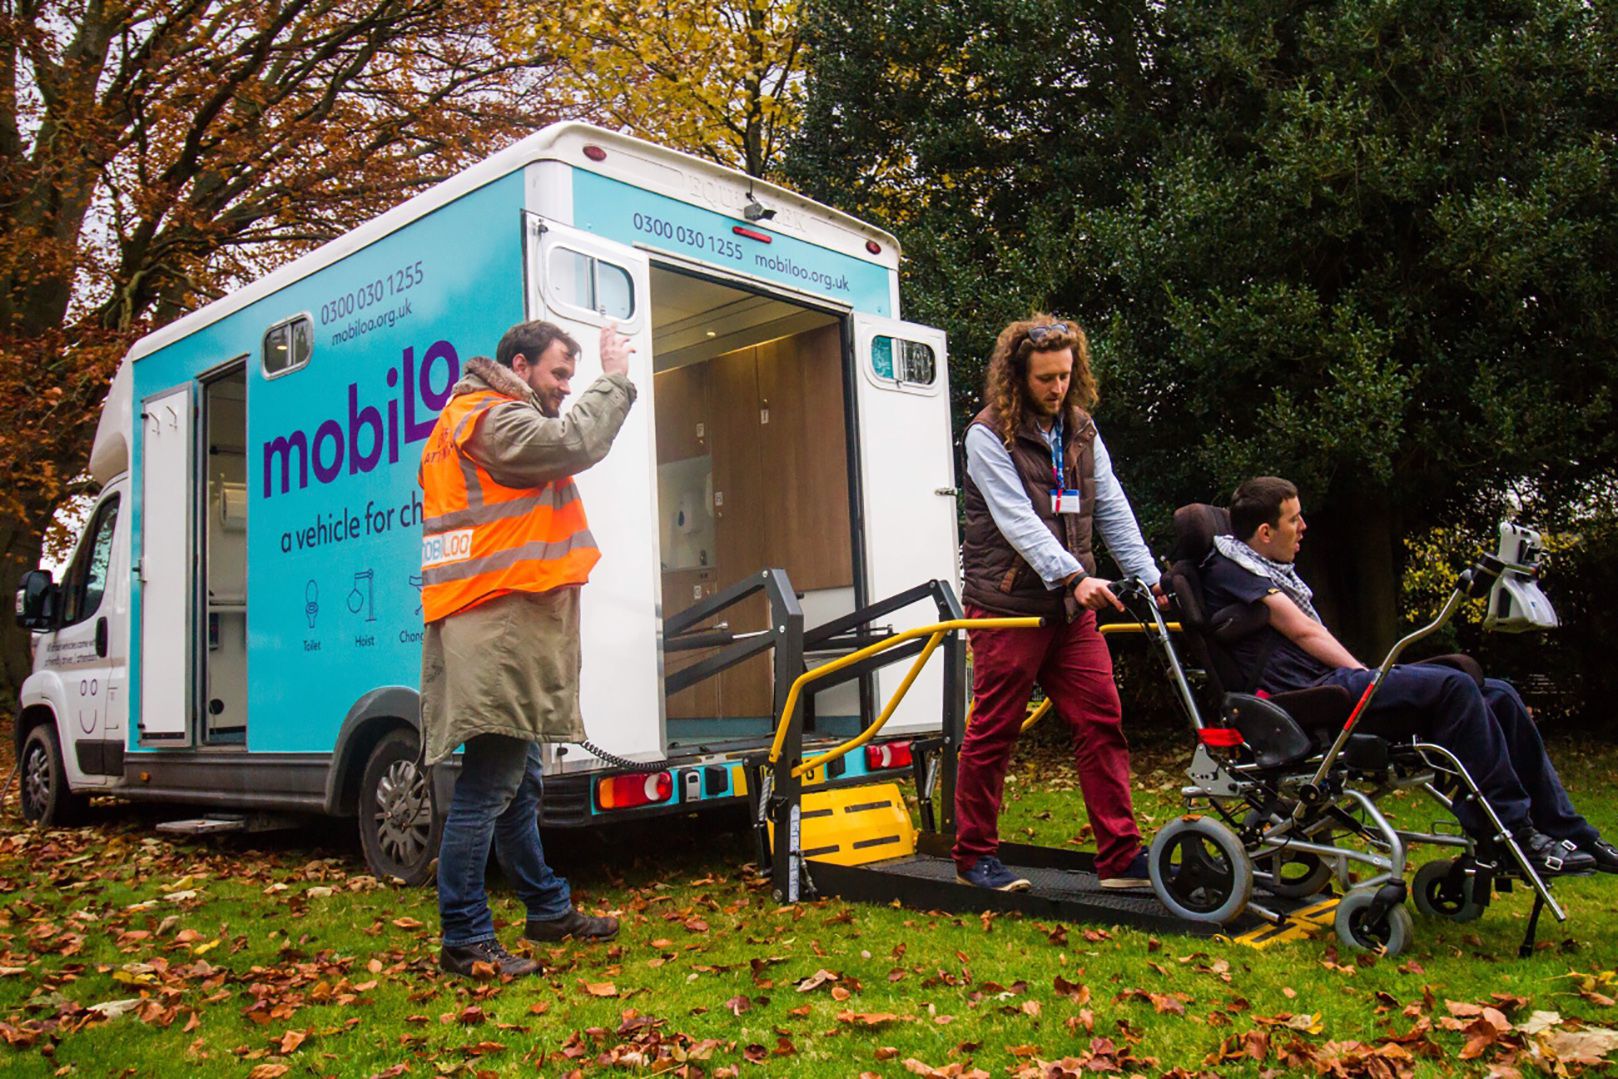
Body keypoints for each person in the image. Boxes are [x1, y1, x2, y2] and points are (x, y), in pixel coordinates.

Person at [1201, 475, 1615, 876]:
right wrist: (1370, 676)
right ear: (1265, 532)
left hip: (1329, 685)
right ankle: (1510, 832)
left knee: (1500, 694)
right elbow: (1304, 629)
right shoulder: (1232, 570)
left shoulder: (1263, 565)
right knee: (1453, 684)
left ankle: (1570, 832)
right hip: (1309, 695)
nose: (1304, 527)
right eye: (1294, 519)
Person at [419, 318, 637, 977]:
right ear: (520, 364)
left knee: (521, 783)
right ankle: (464, 935)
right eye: (558, 374)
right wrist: (615, 378)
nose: (567, 390)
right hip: (498, 626)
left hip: (496, 619)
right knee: (489, 786)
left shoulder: (466, 421)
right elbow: (572, 442)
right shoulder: (490, 418)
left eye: (574, 378)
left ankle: (545, 906)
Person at [955, 314, 1166, 892]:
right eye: (1045, 378)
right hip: (1009, 608)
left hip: (1069, 612)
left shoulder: (1080, 430)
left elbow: (1113, 509)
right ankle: (975, 856)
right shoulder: (986, 435)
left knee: (1102, 720)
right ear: (1017, 376)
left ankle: (1120, 859)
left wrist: (1149, 578)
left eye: (1066, 376)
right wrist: (1073, 575)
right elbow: (1017, 520)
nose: (1057, 388)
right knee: (996, 730)